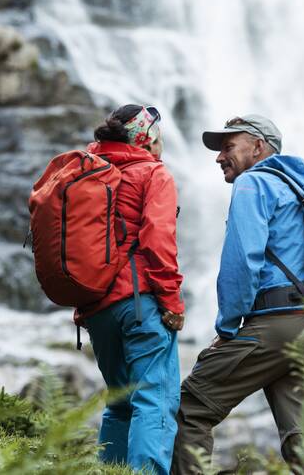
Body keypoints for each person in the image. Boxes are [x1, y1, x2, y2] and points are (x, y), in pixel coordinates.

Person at [171, 114, 304, 474]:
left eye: (229, 146)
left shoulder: (254, 183)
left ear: (259, 147)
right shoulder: (302, 188)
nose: (219, 156)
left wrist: (229, 329)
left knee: (191, 406)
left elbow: (242, 261)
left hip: (278, 325)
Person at [78, 104, 185, 475]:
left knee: (120, 403)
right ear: (147, 138)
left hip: (95, 308)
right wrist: (172, 301)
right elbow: (158, 241)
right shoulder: (152, 173)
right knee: (153, 399)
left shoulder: (88, 170)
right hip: (139, 303)